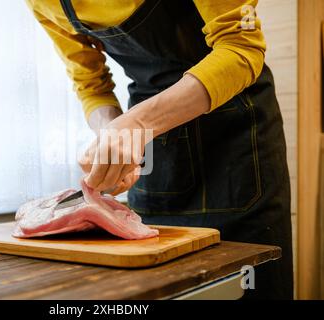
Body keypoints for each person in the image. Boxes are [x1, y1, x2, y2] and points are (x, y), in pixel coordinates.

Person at [26, 0, 293, 299]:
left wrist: (136, 125)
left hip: (237, 140)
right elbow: (91, 84)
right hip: (157, 150)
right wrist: (113, 140)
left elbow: (241, 48)